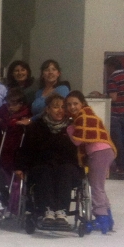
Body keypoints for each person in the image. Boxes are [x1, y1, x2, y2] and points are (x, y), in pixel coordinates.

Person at [15, 93, 81, 228]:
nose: (60, 110)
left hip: (66, 165)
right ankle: (47, 210)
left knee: (66, 170)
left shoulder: (72, 127)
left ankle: (62, 211)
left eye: (63, 107)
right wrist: (20, 167)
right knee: (44, 170)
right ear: (47, 109)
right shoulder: (36, 127)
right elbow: (26, 150)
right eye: (56, 107)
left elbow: (77, 152)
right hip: (42, 164)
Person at [65, 91, 116, 231]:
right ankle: (108, 217)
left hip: (99, 152)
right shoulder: (88, 115)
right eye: (69, 104)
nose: (72, 107)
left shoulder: (83, 117)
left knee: (96, 187)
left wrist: (70, 129)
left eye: (75, 103)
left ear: (83, 103)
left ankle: (101, 219)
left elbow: (77, 140)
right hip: (105, 151)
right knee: (99, 186)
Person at [104, 56, 124, 175]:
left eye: (107, 67)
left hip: (116, 113)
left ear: (112, 66)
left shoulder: (113, 78)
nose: (106, 69)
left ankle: (123, 167)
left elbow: (114, 98)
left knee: (118, 142)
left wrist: (103, 96)